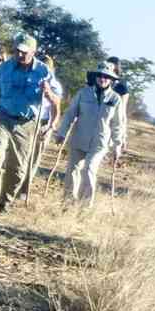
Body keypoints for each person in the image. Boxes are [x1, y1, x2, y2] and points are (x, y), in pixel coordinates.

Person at [0, 33, 59, 213]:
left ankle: (4, 202)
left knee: (17, 169)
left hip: (27, 124)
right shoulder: (5, 68)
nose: (19, 55)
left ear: (33, 52)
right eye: (17, 51)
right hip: (2, 118)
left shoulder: (44, 72)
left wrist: (48, 95)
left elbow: (56, 102)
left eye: (24, 52)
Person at [55, 60, 126, 205]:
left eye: (107, 76)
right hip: (79, 139)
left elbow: (118, 124)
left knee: (88, 170)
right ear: (95, 77)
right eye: (100, 75)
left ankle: (85, 206)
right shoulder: (83, 93)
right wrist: (62, 133)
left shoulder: (115, 99)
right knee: (72, 171)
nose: (103, 79)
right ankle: (67, 204)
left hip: (100, 143)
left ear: (111, 80)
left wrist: (117, 146)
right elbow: (69, 114)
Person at [13, 53, 60, 200]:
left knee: (33, 159)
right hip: (26, 121)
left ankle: (23, 190)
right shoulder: (27, 78)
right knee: (20, 156)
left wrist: (51, 126)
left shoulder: (55, 85)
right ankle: (11, 186)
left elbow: (56, 108)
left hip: (43, 123)